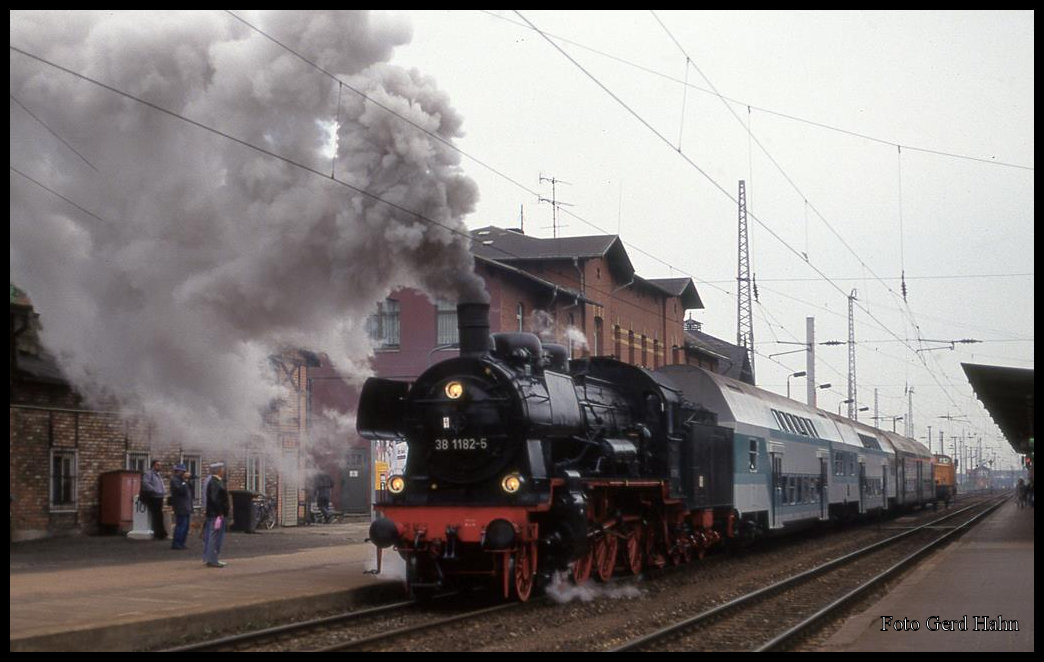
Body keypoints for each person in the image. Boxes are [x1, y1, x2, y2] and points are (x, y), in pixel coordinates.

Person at [203, 462, 230, 568]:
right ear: (218, 470)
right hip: (216, 514)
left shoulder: (216, 481)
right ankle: (212, 559)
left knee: (214, 536)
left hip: (215, 513)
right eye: (222, 469)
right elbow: (215, 499)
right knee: (214, 536)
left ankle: (212, 558)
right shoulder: (215, 482)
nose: (223, 471)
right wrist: (220, 513)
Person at [140, 460, 168, 540]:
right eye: (157, 465)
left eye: (160, 465)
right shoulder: (149, 473)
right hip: (154, 497)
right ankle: (158, 533)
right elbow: (145, 483)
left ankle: (161, 533)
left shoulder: (157, 474)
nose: (159, 466)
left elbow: (160, 484)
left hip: (159, 496)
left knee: (159, 515)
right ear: (153, 465)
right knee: (156, 515)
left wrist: (163, 491)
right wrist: (155, 490)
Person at [169, 464, 193, 549]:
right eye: (182, 471)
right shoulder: (175, 480)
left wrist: (187, 481)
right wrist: (184, 481)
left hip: (186, 506)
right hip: (180, 506)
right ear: (178, 471)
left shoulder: (182, 480)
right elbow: (180, 490)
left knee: (185, 526)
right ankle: (177, 543)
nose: (184, 473)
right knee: (181, 526)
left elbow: (190, 489)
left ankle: (182, 542)